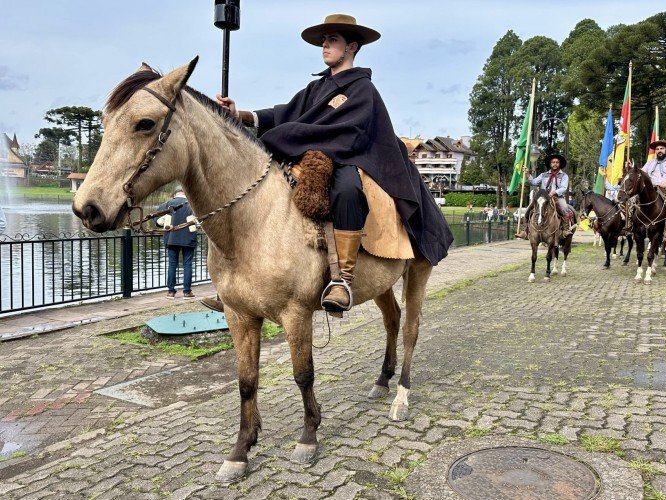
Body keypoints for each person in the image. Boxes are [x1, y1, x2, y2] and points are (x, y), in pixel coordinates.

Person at [215, 14, 452, 313]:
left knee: (347, 190)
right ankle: (248, 284)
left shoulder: (363, 89)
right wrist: (242, 116)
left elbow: (354, 132)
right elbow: (286, 111)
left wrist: (299, 136)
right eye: (324, 41)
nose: (325, 45)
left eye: (332, 40)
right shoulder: (316, 88)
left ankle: (342, 280)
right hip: (312, 152)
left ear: (351, 47)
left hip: (351, 156)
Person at [515, 154, 575, 239]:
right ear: (550, 164)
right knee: (529, 209)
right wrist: (528, 174)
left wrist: (554, 192)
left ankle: (565, 230)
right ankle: (525, 231)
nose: (555, 164)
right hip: (543, 198)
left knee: (564, 208)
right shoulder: (543, 175)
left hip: (558, 197)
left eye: (557, 162)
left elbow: (564, 188)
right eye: (553, 162)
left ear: (560, 164)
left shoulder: (564, 176)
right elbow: (534, 182)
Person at [157, 187, 197, 298]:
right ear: (185, 193)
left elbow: (157, 217)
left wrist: (161, 223)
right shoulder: (191, 204)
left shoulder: (168, 204)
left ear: (175, 194)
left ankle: (170, 292)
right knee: (187, 264)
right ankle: (187, 292)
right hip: (188, 238)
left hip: (171, 238)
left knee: (172, 265)